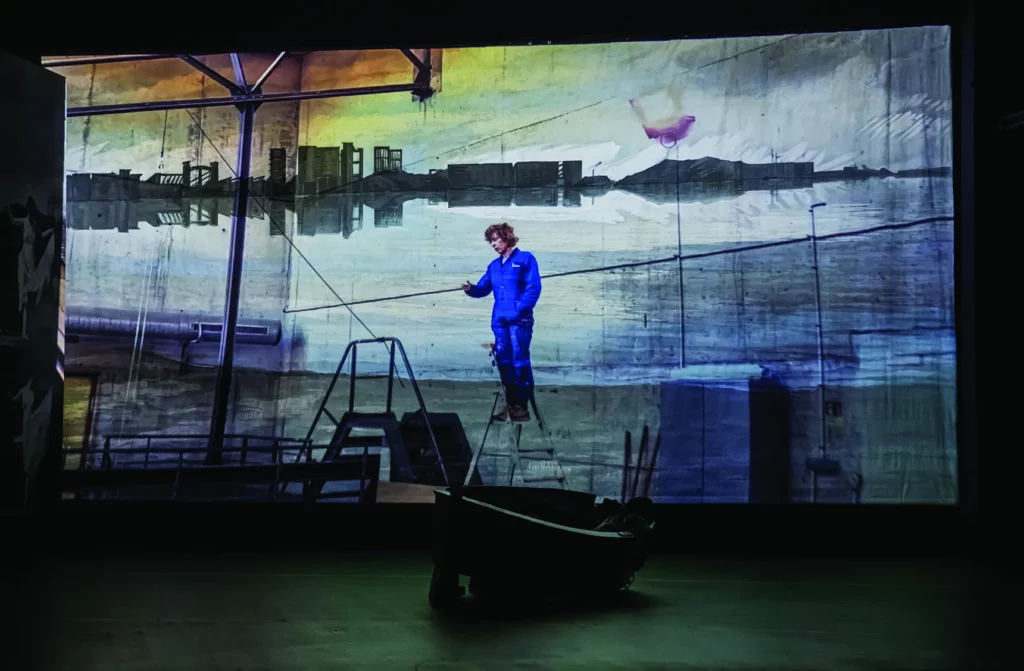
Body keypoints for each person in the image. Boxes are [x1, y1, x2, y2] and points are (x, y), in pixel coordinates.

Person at [462, 223, 541, 422]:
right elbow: (483, 288)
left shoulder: (526, 259)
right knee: (504, 362)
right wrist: (471, 289)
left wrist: (519, 309)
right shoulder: (494, 266)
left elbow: (533, 288)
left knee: (519, 360)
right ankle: (510, 404)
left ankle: (521, 407)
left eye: (496, 239)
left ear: (507, 237)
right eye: (491, 241)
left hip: (519, 321)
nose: (494, 244)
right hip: (499, 322)